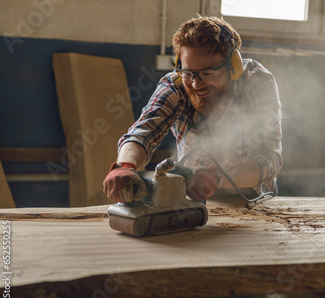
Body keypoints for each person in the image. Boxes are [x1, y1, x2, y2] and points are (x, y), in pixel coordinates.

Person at [103, 16, 282, 203]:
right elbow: (142, 132)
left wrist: (217, 176)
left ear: (233, 67)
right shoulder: (176, 85)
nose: (196, 84)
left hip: (255, 202)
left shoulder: (256, 82)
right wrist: (125, 165)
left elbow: (269, 159)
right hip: (194, 201)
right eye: (189, 73)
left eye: (207, 73)